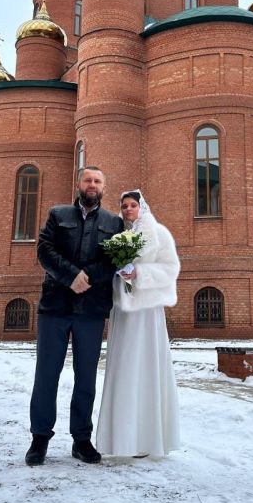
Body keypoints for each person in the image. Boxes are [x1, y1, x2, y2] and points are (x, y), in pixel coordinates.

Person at [25, 166, 124, 466]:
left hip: (91, 311)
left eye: (98, 181)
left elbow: (114, 260)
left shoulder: (114, 223)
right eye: (88, 180)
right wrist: (70, 276)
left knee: (86, 377)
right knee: (46, 375)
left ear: (104, 187)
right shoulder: (58, 215)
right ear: (78, 184)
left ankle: (81, 439)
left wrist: (86, 278)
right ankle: (40, 438)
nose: (92, 184)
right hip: (54, 308)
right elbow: (44, 251)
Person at [96, 190, 181, 458]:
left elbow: (170, 269)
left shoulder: (159, 234)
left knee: (146, 365)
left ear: (142, 207)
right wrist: (118, 273)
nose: (128, 209)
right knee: (124, 366)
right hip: (124, 311)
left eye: (133, 205)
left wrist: (139, 273)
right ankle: (121, 441)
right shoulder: (117, 237)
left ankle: (147, 440)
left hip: (147, 311)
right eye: (124, 206)